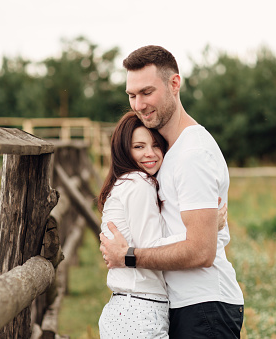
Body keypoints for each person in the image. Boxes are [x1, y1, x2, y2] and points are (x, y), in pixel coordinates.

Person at [100, 45, 244, 338]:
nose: (138, 104)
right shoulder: (170, 154)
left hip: (205, 305)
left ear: (174, 84)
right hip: (183, 304)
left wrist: (127, 256)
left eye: (147, 92)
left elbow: (201, 251)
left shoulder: (193, 153)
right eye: (132, 95)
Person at [97, 111, 227, 338]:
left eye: (156, 146)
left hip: (127, 308)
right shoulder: (139, 183)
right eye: (139, 147)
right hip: (139, 310)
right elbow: (152, 247)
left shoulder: (125, 183)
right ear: (123, 150)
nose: (150, 154)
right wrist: (207, 229)